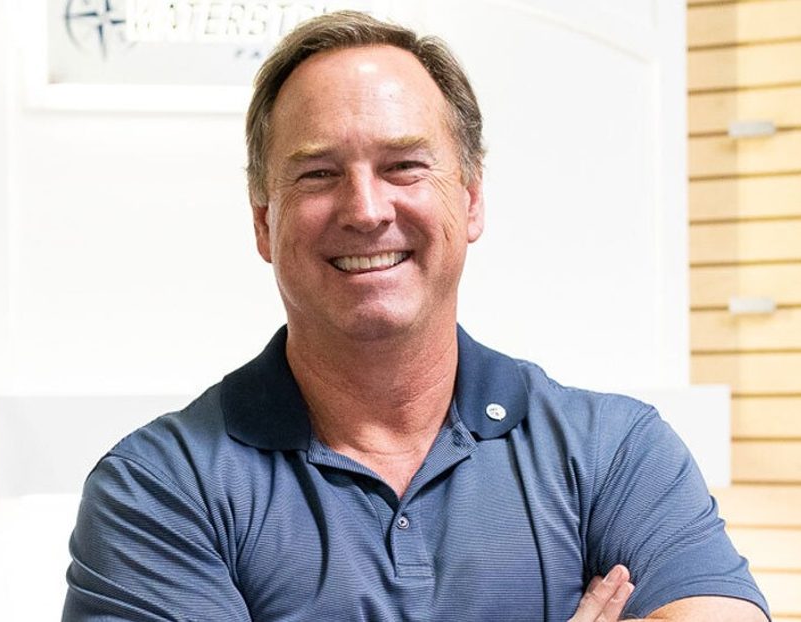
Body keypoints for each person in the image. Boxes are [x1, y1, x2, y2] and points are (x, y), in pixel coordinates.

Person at [63, 11, 770, 622]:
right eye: (318, 173)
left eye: (403, 165)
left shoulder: (615, 453)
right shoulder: (157, 490)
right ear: (262, 221)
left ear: (471, 199)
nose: (367, 209)